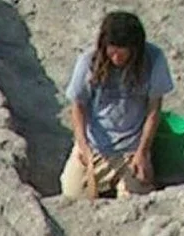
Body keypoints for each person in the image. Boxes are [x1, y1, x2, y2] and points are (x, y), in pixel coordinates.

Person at [62, 11, 174, 201]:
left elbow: (154, 110)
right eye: (111, 52)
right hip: (96, 146)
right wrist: (83, 146)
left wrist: (142, 152)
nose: (115, 59)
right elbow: (77, 106)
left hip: (131, 148)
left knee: (136, 198)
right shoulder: (89, 61)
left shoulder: (153, 59)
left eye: (121, 54)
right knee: (73, 194)